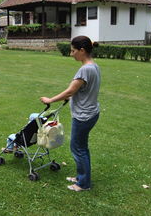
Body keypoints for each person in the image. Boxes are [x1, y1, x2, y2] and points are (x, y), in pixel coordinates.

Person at [40, 36, 100, 192]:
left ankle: (83, 184)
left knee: (78, 148)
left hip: (84, 116)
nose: (71, 54)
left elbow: (71, 90)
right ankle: (82, 177)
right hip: (91, 113)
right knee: (81, 147)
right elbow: (79, 90)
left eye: (73, 51)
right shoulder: (94, 66)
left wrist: (50, 99)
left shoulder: (85, 69)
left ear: (82, 50)